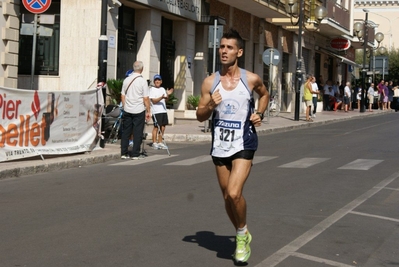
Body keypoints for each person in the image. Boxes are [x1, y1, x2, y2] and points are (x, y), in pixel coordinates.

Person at [196, 29, 269, 263]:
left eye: (228, 47)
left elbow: (265, 94)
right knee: (228, 197)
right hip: (220, 143)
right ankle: (243, 231)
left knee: (235, 192)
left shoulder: (251, 79)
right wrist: (210, 106)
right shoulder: (210, 81)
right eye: (221, 46)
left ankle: (239, 237)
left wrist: (259, 113)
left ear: (239, 52)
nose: (223, 51)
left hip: (244, 140)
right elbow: (199, 115)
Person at [120, 61, 151, 160]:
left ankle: (124, 152)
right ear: (142, 69)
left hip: (127, 109)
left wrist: (125, 106)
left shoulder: (126, 80)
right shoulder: (142, 81)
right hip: (139, 110)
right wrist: (148, 110)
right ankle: (135, 153)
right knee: (137, 132)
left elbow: (122, 95)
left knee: (126, 131)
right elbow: (145, 98)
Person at [149, 74, 173, 149]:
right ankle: (154, 142)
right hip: (156, 111)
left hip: (163, 111)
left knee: (163, 127)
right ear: (154, 81)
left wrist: (168, 95)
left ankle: (160, 142)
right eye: (156, 80)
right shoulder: (152, 89)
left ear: (161, 81)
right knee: (156, 127)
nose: (157, 81)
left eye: (159, 80)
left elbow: (166, 99)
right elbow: (154, 101)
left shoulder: (162, 89)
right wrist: (161, 97)